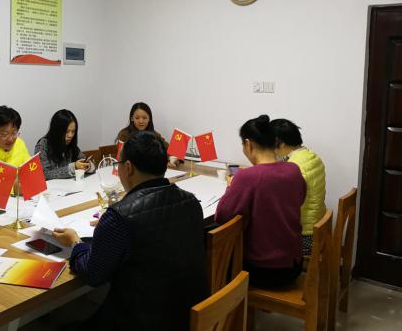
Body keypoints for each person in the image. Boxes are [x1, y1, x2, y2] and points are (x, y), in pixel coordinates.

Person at [53, 131, 207, 331]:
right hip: (185, 314)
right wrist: (109, 228)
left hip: (139, 321)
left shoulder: (120, 216)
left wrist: (75, 242)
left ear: (128, 168)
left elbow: (93, 274)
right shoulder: (190, 201)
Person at [215, 115, 306, 289]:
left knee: (213, 252)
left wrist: (231, 186)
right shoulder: (293, 169)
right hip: (294, 264)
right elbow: (300, 198)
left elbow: (222, 216)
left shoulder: (247, 177)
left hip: (265, 270)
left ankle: (223, 302)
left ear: (248, 144)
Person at [271, 118, 327, 255]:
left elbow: (283, 206)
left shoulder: (294, 168)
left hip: (305, 238)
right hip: (319, 227)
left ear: (281, 143)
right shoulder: (311, 156)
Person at [34, 109, 95, 180]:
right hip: (52, 187)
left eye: (73, 131)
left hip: (70, 185)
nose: (70, 135)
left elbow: (89, 164)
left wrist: (88, 166)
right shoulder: (43, 145)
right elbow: (44, 174)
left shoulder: (71, 145)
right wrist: (74, 167)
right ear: (56, 130)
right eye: (66, 131)